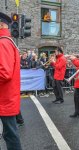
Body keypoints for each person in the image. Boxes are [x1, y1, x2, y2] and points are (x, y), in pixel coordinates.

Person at [0, 12, 22, 150]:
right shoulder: (8, 41)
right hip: (6, 97)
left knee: (10, 134)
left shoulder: (3, 43)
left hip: (4, 98)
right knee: (10, 134)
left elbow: (4, 73)